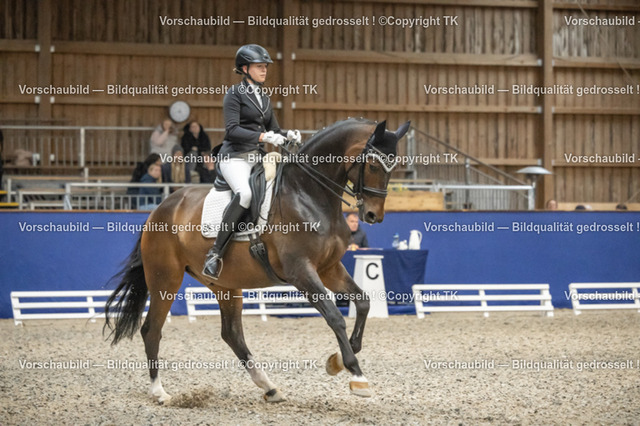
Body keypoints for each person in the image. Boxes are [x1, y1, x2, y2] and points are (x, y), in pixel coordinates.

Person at [202, 44, 301, 279]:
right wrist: (263, 137)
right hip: (234, 157)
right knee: (245, 194)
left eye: (265, 66)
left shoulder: (264, 98)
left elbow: (274, 129)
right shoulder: (234, 94)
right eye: (259, 67)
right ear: (245, 69)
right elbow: (232, 130)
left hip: (256, 157)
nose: (264, 70)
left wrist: (288, 134)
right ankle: (214, 254)